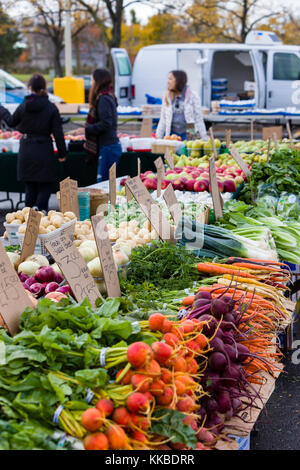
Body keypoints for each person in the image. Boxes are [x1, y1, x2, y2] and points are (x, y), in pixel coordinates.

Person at [0, 73, 66, 212]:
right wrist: (62, 153)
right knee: (46, 185)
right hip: (44, 149)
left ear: (30, 88)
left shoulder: (24, 105)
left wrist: (2, 110)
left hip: (26, 149)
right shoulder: (50, 107)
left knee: (30, 186)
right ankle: (39, 209)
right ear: (44, 88)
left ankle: (29, 215)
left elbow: (11, 121)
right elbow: (58, 133)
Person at [72, 68, 122, 182]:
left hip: (108, 146)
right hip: (109, 145)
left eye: (92, 80)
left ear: (98, 81)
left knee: (104, 184)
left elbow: (106, 124)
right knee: (106, 183)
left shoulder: (103, 99)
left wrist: (85, 130)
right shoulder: (107, 96)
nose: (91, 83)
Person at [156, 70, 208, 141]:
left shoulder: (193, 96)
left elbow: (199, 120)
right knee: (171, 152)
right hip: (172, 135)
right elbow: (163, 120)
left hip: (189, 133)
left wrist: (205, 140)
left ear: (178, 80)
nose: (168, 81)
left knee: (189, 151)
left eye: (170, 79)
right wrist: (156, 139)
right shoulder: (167, 96)